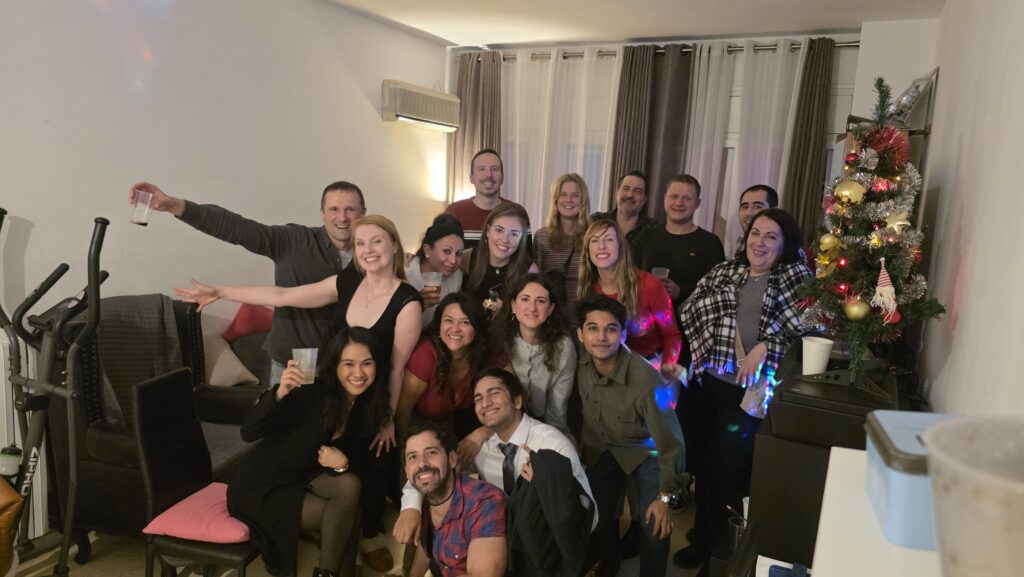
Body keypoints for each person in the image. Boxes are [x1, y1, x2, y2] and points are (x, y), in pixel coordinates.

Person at [175, 214, 422, 454]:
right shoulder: (347, 281)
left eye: (377, 241)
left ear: (394, 245)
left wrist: (386, 420)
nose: (368, 249)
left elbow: (395, 369)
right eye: (360, 243)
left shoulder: (407, 303)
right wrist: (220, 292)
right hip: (323, 393)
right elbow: (283, 296)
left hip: (363, 403)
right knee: (278, 443)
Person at [673, 208, 810, 574]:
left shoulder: (795, 278)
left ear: (785, 245)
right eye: (755, 233)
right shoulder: (725, 271)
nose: (759, 242)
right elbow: (688, 312)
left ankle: (720, 554)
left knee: (729, 473)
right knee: (702, 466)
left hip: (749, 396)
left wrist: (768, 346)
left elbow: (808, 329)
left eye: (770, 237)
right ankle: (704, 537)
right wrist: (727, 300)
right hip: (707, 386)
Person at [130, 180, 366, 385]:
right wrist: (175, 205)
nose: (342, 217)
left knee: (339, 432)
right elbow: (238, 228)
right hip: (299, 362)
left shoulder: (372, 253)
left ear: (363, 213)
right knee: (289, 428)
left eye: (350, 209)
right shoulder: (293, 241)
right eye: (334, 209)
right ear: (322, 213)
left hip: (351, 364)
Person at [395, 369, 597, 577]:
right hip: (495, 540)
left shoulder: (551, 445)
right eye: (478, 398)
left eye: (494, 393)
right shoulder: (482, 447)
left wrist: (549, 486)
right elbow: (431, 470)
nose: (486, 403)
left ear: (517, 401)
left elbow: (589, 515)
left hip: (545, 551)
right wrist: (410, 507)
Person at [226, 327, 393, 577]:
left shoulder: (364, 405)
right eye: (349, 364)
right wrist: (280, 392)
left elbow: (356, 465)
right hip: (260, 489)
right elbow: (248, 432)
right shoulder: (311, 392)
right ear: (335, 366)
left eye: (367, 363)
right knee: (347, 511)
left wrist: (342, 464)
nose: (358, 373)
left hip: (301, 480)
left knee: (349, 486)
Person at [575, 296, 687, 577]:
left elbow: (671, 443)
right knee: (596, 518)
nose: (601, 337)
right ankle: (606, 565)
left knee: (654, 525)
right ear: (580, 334)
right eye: (592, 328)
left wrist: (665, 499)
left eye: (611, 329)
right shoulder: (579, 363)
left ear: (623, 334)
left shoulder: (645, 379)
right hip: (603, 448)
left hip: (646, 451)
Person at [578, 219, 683, 380]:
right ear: (588, 250)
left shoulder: (648, 284)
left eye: (609, 239)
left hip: (650, 370)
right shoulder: (589, 290)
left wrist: (668, 365)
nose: (601, 246)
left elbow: (671, 333)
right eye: (594, 240)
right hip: (606, 371)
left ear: (621, 246)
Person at [403, 420, 507, 577]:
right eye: (412, 457)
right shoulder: (424, 501)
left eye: (431, 452)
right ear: (406, 471)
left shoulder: (484, 501)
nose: (422, 464)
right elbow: (426, 552)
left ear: (452, 459)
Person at [396, 292, 495, 441]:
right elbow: (402, 414)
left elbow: (509, 400)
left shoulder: (483, 354)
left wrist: (482, 433)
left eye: (465, 322)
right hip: (416, 432)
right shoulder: (425, 356)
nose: (455, 329)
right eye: (448, 320)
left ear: (477, 327)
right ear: (439, 324)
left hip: (452, 431)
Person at [491, 273, 576, 438]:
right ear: (513, 306)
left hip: (543, 425)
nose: (532, 308)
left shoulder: (564, 347)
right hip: (500, 424)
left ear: (551, 309)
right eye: (525, 299)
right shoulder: (499, 340)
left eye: (541, 301)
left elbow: (556, 413)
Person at [634, 174, 726, 314]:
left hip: (691, 329)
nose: (679, 203)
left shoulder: (710, 243)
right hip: (647, 326)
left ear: (698, 203)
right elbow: (630, 280)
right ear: (665, 198)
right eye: (674, 196)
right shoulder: (645, 238)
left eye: (687, 198)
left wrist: (681, 293)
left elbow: (717, 294)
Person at [532, 173, 591, 321]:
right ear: (555, 200)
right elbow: (535, 281)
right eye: (563, 194)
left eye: (575, 195)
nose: (568, 200)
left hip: (583, 315)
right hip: (551, 317)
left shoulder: (592, 237)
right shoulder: (541, 237)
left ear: (583, 201)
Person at [461, 202, 539, 314]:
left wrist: (505, 313)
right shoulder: (467, 258)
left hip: (508, 330)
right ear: (488, 231)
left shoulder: (530, 271)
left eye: (514, 234)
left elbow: (533, 317)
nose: (504, 240)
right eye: (499, 230)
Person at [446, 148, 530, 251]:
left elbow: (526, 259)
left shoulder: (518, 213)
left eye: (494, 169)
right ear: (471, 178)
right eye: (482, 169)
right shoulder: (455, 212)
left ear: (502, 178)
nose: (489, 175)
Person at [405, 213, 465, 328]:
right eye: (447, 251)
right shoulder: (405, 273)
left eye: (459, 254)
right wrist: (416, 307)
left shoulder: (457, 276)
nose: (453, 261)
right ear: (427, 250)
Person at [591, 170, 661, 257]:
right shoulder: (597, 221)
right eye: (626, 188)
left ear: (644, 199)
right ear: (617, 193)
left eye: (637, 191)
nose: (630, 195)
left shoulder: (654, 228)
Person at [729, 184, 778, 257]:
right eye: (745, 207)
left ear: (774, 211)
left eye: (757, 207)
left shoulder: (784, 245)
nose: (748, 213)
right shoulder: (743, 239)